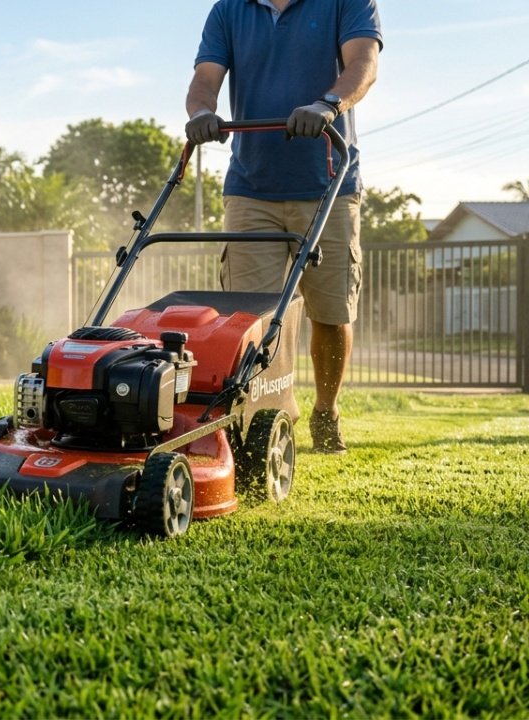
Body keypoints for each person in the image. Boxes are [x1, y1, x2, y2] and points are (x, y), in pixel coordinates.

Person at [184, 0, 382, 454]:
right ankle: (261, 420)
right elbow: (205, 80)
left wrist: (327, 104)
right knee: (248, 318)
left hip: (329, 182)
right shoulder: (229, 11)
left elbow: (363, 63)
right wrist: (200, 114)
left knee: (331, 313)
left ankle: (326, 411)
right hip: (251, 186)